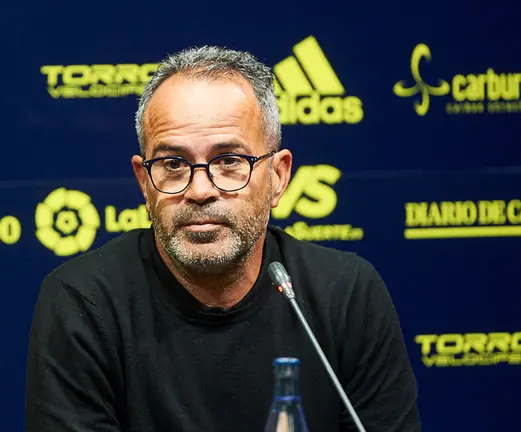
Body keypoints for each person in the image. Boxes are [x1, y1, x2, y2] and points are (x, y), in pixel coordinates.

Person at [25, 45, 421, 431]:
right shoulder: (83, 302)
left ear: (278, 178)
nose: (199, 190)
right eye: (173, 164)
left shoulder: (347, 295)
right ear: (145, 184)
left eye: (230, 161)